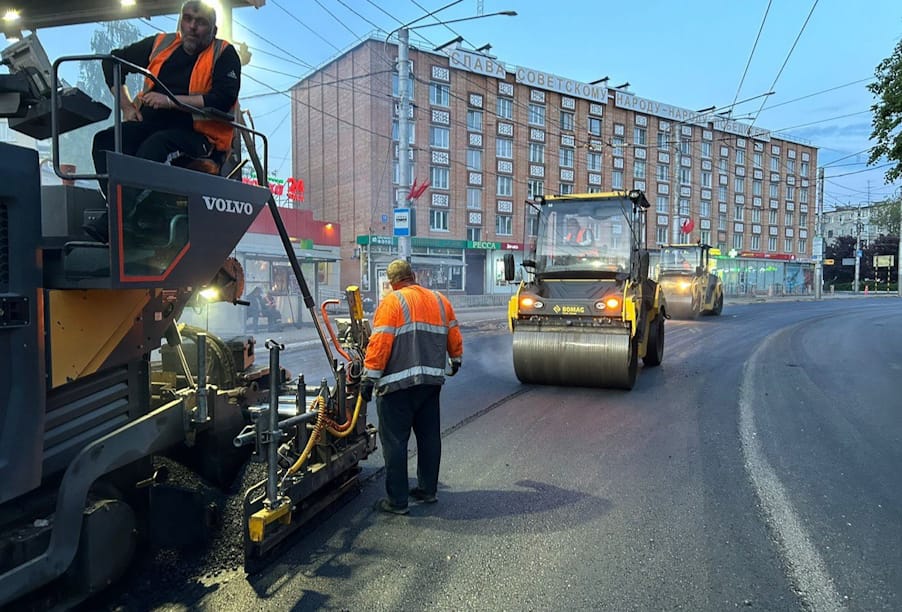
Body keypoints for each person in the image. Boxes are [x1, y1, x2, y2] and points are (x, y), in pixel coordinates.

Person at [83, 0, 241, 243]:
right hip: (151, 124)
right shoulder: (162, 44)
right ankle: (128, 214)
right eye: (187, 19)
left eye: (201, 23)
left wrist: (169, 101)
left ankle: (119, 220)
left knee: (156, 146)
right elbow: (113, 61)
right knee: (105, 141)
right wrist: (126, 106)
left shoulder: (224, 54)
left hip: (200, 138)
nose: (192, 26)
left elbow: (223, 97)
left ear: (213, 30)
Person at [360, 259, 463, 515]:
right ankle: (428, 491)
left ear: (392, 282)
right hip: (430, 384)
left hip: (398, 387)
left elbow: (380, 343)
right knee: (429, 438)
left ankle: (397, 502)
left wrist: (369, 378)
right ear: (414, 276)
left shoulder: (393, 302)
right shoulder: (439, 300)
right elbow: (453, 333)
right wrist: (456, 358)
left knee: (395, 442)